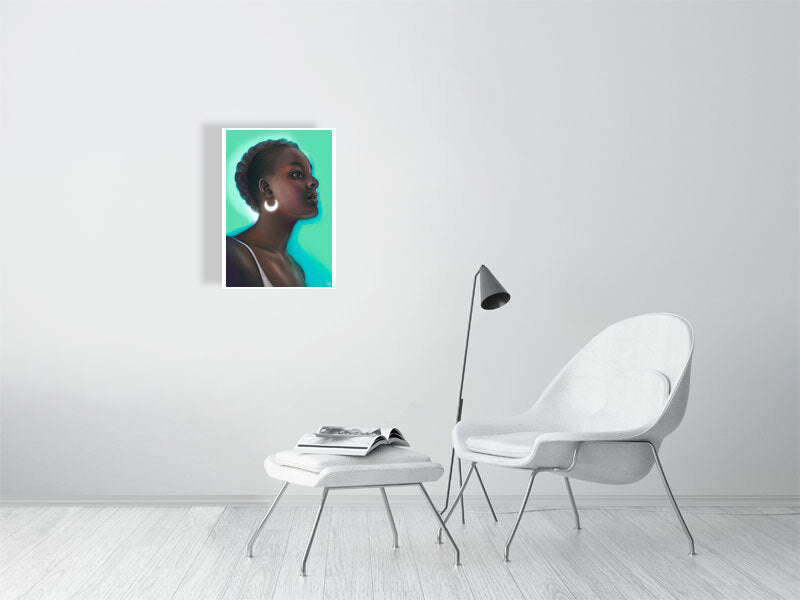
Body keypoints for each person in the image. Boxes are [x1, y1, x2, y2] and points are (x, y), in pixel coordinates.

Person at [226, 139, 319, 287]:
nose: (314, 182)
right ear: (267, 189)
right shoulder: (229, 253)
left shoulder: (296, 268)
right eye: (297, 174)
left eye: (310, 173)